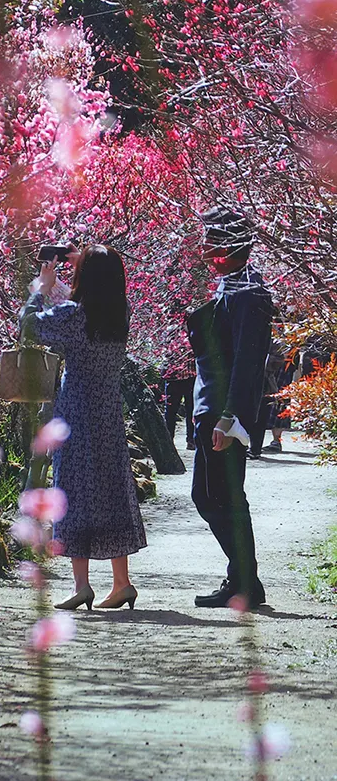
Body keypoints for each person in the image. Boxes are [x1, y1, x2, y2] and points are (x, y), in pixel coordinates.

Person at [20, 245, 147, 611]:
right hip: (108, 412)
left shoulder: (75, 315)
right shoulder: (119, 312)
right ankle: (122, 582)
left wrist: (41, 288)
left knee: (73, 490)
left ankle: (82, 586)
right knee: (110, 491)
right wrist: (79, 264)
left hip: (76, 412)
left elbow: (31, 326)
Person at [187, 207, 273, 609]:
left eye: (211, 240)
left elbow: (248, 359)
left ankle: (245, 582)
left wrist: (229, 415)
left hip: (225, 412)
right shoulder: (232, 285)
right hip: (211, 408)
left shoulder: (249, 292)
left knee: (222, 496)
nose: (204, 247)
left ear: (230, 245)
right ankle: (243, 579)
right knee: (210, 496)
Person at [162, 349, 197, 450]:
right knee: (170, 411)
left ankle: (191, 440)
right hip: (173, 378)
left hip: (191, 376)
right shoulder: (169, 334)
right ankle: (169, 441)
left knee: (192, 410)